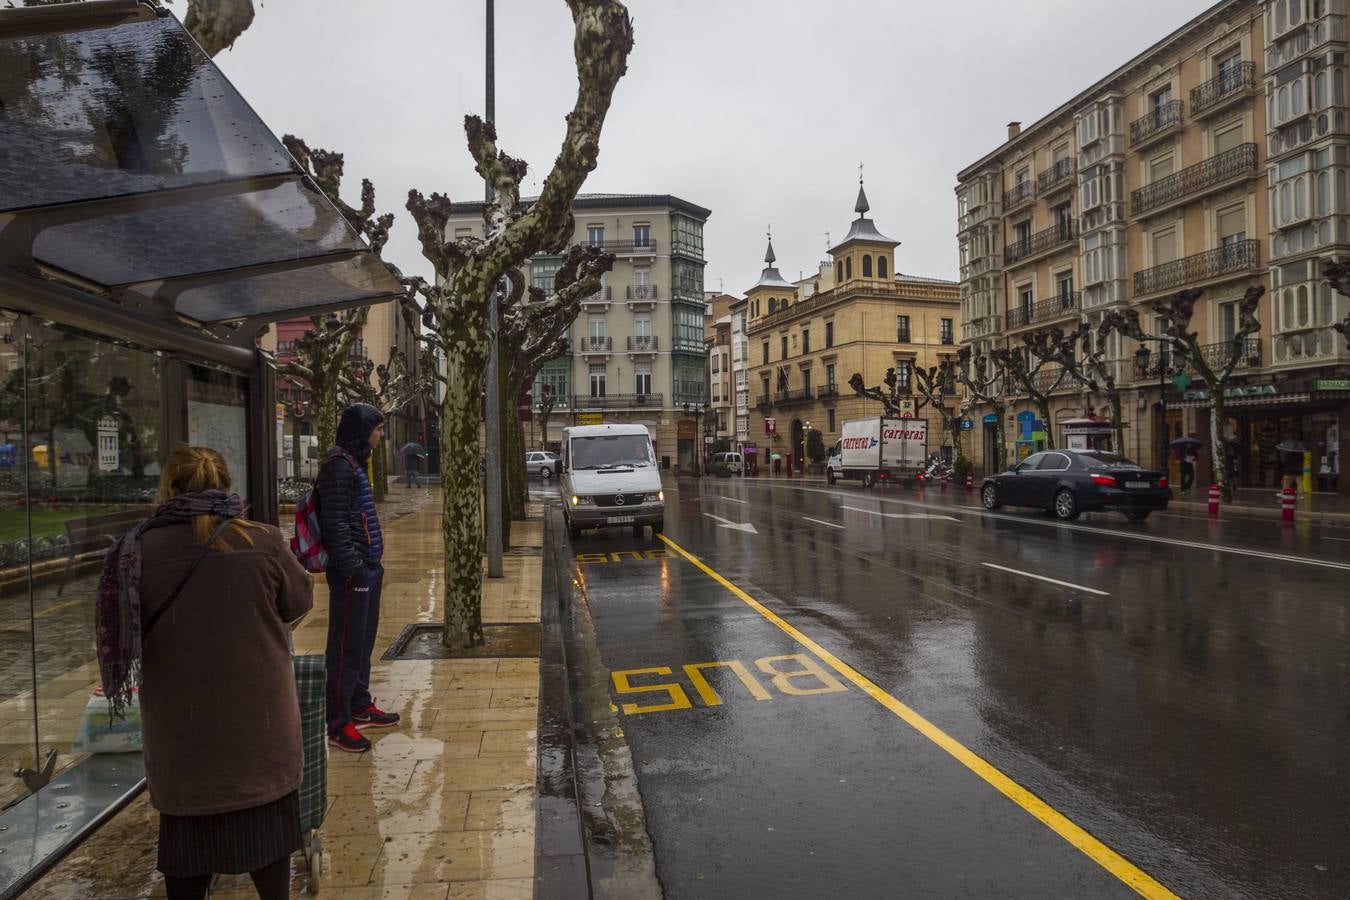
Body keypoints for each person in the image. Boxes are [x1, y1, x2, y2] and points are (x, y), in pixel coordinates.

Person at [96, 445, 313, 900]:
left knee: (187, 861)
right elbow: (299, 601)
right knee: (269, 857)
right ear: (226, 485)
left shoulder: (135, 553)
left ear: (169, 488)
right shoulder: (263, 542)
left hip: (183, 739)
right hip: (259, 735)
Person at [318, 403, 400, 753]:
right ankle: (338, 724)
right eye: (378, 428)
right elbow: (334, 523)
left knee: (363, 643)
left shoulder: (354, 463)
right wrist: (354, 567)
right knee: (345, 648)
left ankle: (359, 703)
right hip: (354, 571)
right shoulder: (338, 466)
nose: (382, 434)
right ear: (362, 430)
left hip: (367, 566)